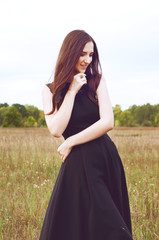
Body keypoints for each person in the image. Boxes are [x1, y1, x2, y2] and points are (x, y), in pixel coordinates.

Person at [39, 30, 133, 240]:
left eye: (91, 55)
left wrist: (71, 140)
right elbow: (56, 129)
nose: (88, 60)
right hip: (77, 166)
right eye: (83, 54)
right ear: (70, 53)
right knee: (77, 226)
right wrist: (72, 90)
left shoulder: (97, 81)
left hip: (103, 158)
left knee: (112, 226)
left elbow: (108, 122)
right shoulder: (50, 90)